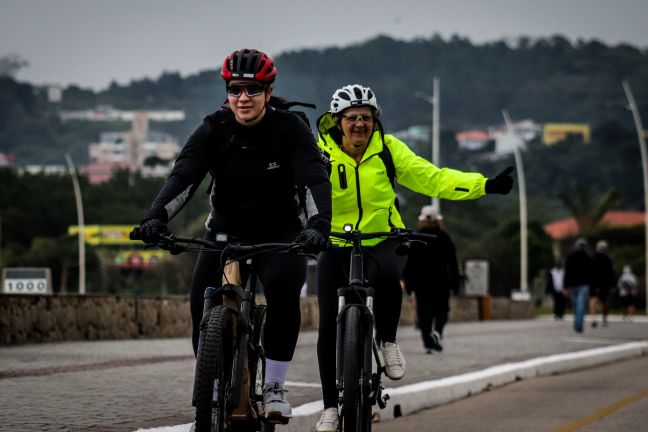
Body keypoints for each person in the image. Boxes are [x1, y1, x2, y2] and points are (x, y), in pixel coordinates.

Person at [136, 48, 332, 423]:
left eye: (252, 90)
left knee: (282, 290)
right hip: (225, 231)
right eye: (235, 90)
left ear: (268, 92)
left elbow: (312, 180)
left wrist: (317, 226)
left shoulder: (290, 129)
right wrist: (155, 218)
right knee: (201, 301)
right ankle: (208, 394)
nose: (243, 98)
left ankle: (274, 386)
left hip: (280, 232)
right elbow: (184, 177)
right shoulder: (213, 128)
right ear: (227, 92)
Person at [313, 84, 514, 431]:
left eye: (366, 117)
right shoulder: (321, 153)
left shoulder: (389, 150)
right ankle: (330, 407)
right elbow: (296, 189)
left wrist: (485, 185)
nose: (359, 124)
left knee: (391, 280)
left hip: (381, 237)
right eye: (351, 118)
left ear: (375, 120)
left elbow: (432, 179)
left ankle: (387, 341)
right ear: (336, 121)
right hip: (333, 240)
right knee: (328, 321)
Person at [402, 205, 459, 354]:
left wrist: (408, 284)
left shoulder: (417, 238)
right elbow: (452, 262)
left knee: (424, 314)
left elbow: (409, 264)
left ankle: (428, 344)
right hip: (441, 282)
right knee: (442, 312)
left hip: (421, 284)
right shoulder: (444, 237)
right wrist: (456, 282)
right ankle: (437, 333)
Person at [563, 238, 594, 333]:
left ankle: (578, 324)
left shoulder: (570, 257)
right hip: (582, 285)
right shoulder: (588, 258)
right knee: (579, 306)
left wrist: (565, 286)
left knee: (577, 305)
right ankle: (578, 324)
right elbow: (591, 273)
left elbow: (566, 273)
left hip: (575, 285)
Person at [589, 240, 615, 327]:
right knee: (605, 301)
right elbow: (611, 273)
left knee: (593, 299)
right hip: (605, 283)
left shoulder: (592, 258)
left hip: (593, 282)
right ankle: (604, 318)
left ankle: (593, 318)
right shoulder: (608, 259)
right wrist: (613, 285)